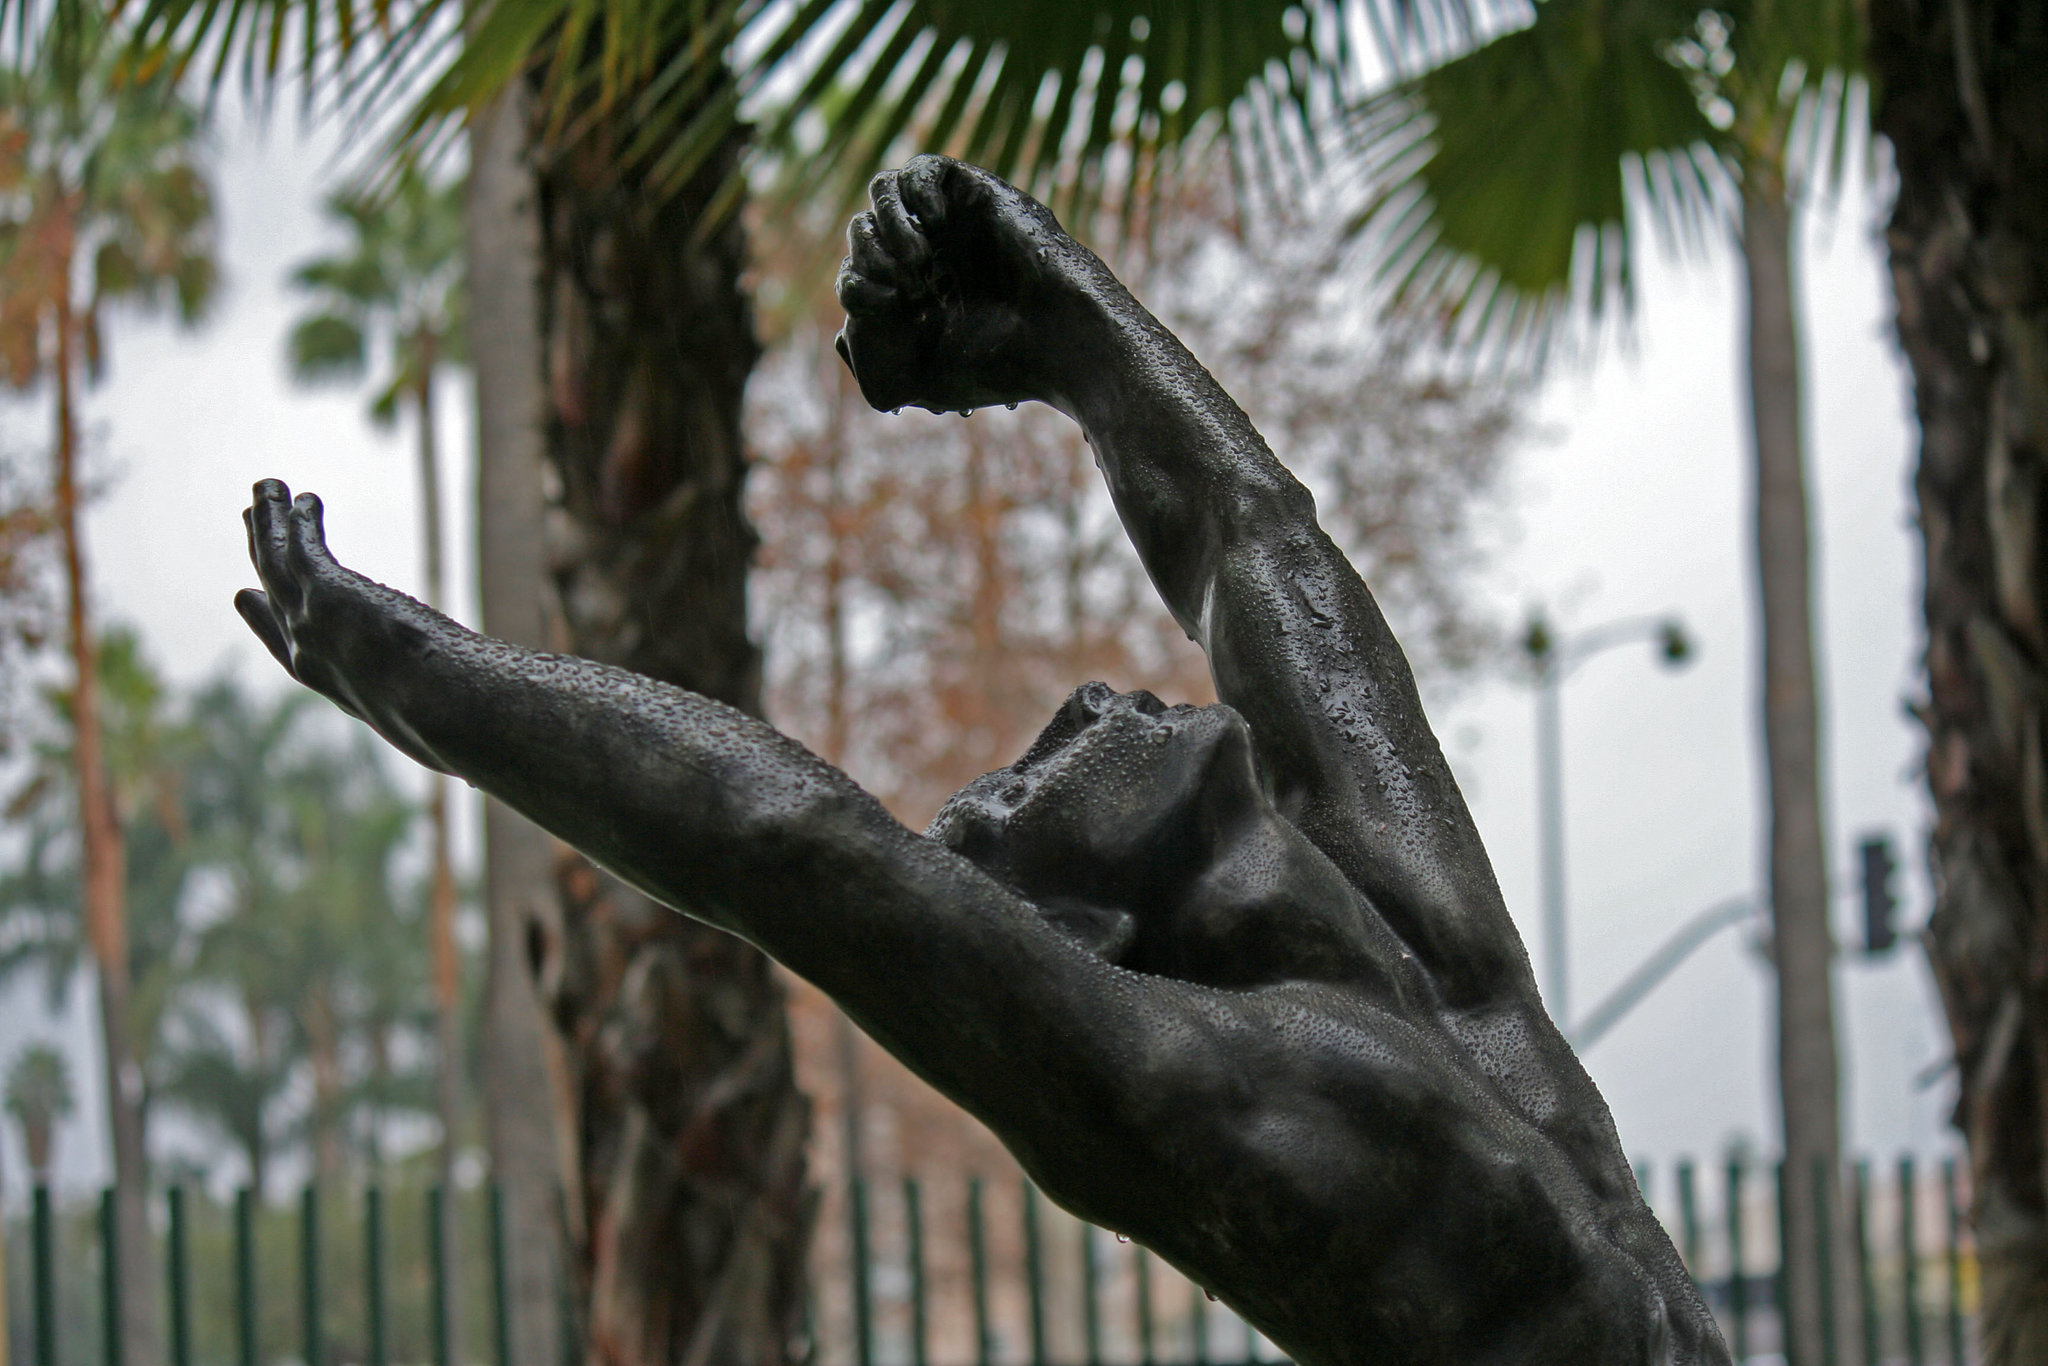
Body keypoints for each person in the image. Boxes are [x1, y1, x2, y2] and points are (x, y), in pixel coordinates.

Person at [236, 154, 1728, 1366]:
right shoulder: (1221, 1100)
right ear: (1080, 934)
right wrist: (427, 680)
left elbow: (1257, 539)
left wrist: (1053, 312)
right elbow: (794, 848)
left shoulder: (1433, 963)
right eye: (1006, 793)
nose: (1073, 711)